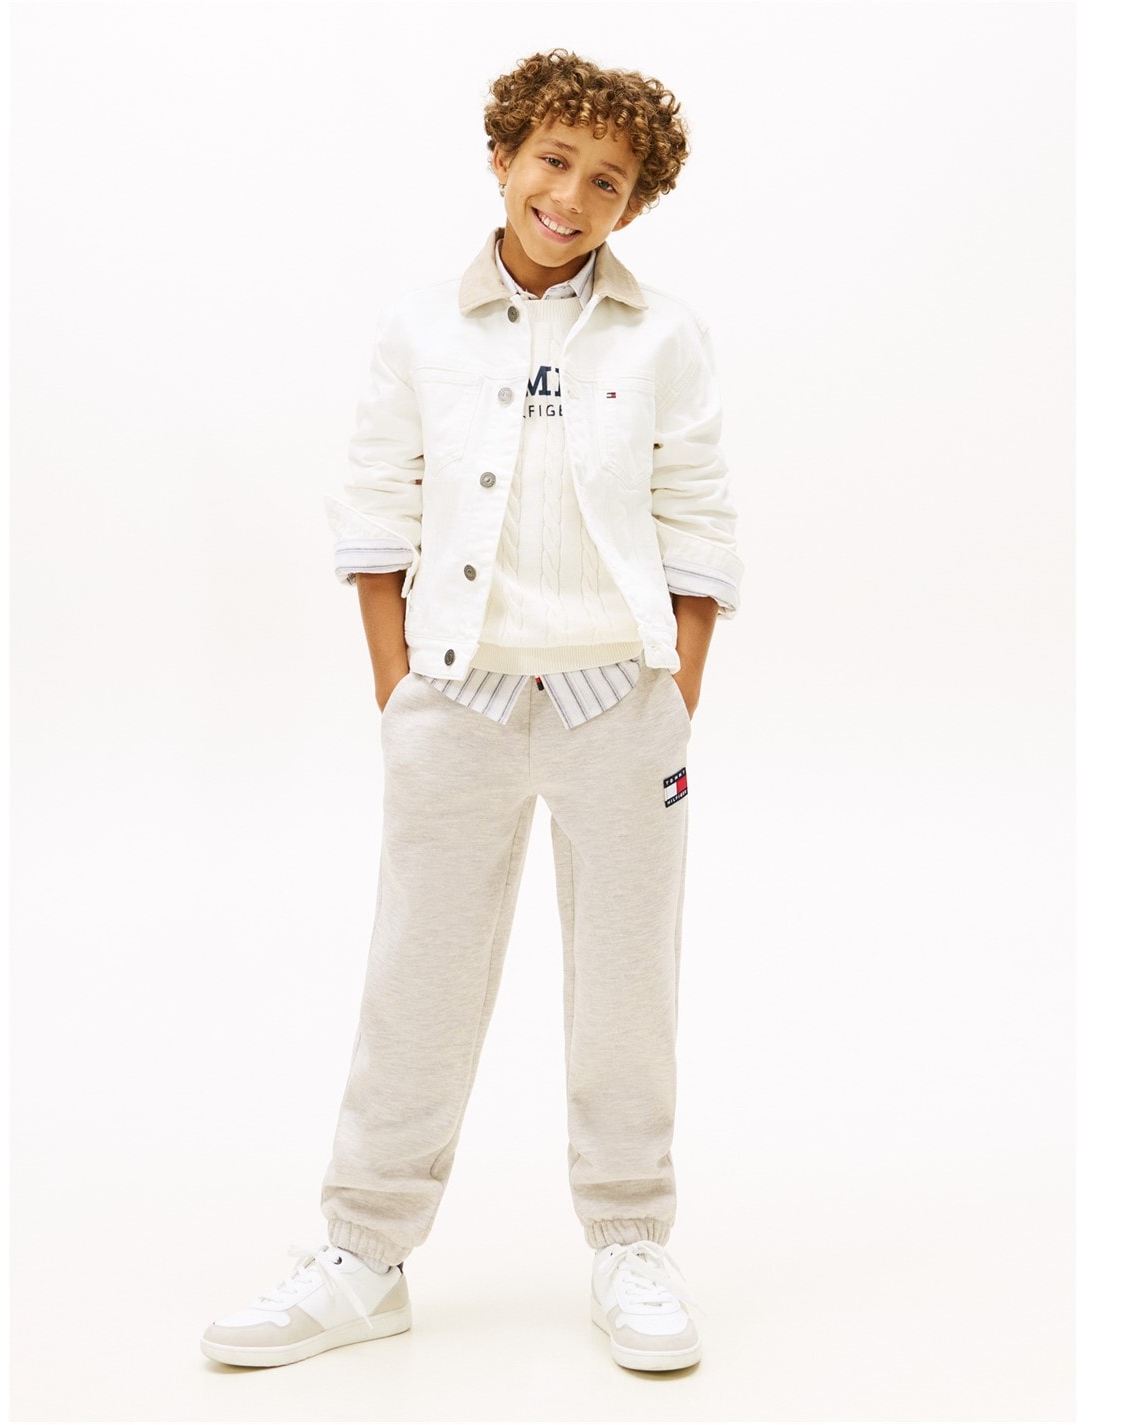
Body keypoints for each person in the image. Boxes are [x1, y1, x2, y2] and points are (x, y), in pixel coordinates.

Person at [201, 46, 742, 1375]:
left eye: (607, 180)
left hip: (621, 707)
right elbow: (377, 506)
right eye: (553, 160)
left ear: (634, 203)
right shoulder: (420, 330)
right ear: (503, 159)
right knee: (417, 983)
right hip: (457, 704)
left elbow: (696, 514)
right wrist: (400, 691)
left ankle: (630, 1242)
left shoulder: (664, 335)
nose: (572, 195)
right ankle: (363, 1256)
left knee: (627, 987)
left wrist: (675, 692)